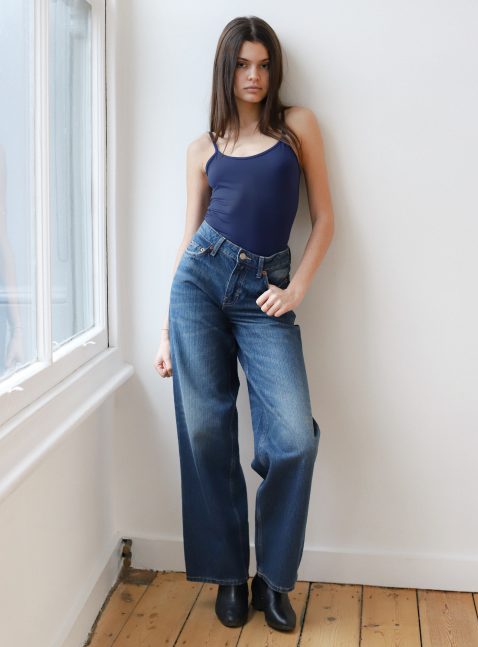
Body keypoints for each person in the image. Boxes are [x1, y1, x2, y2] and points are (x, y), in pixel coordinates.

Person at [153, 15, 335, 632]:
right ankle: (228, 573)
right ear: (225, 70)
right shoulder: (202, 148)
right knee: (205, 430)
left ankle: (273, 580)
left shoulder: (297, 127)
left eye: (262, 65)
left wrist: (296, 288)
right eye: (242, 65)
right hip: (199, 284)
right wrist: (165, 332)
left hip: (267, 291)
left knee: (294, 439)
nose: (253, 76)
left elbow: (326, 219)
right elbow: (188, 238)